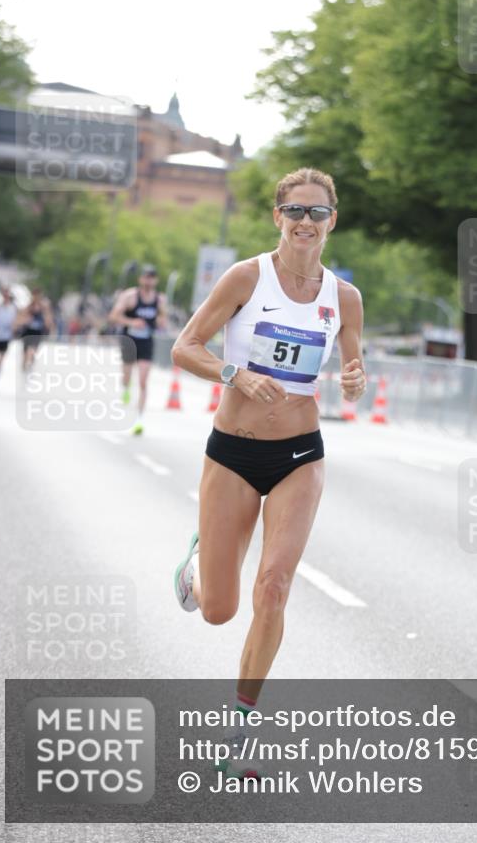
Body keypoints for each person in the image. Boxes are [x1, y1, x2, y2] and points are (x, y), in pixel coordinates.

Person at [170, 168, 367, 779]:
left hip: (300, 455)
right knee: (220, 610)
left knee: (275, 587)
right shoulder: (246, 278)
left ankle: (240, 732)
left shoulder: (345, 297)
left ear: (332, 219)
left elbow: (354, 365)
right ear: (276, 217)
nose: (305, 222)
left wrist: (356, 378)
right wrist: (235, 375)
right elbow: (186, 346)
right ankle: (197, 568)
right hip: (232, 451)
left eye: (317, 212)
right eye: (294, 211)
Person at [108, 265, 168, 435]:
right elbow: (113, 316)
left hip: (146, 342)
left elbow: (163, 317)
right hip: (129, 341)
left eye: (152, 277)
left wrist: (161, 321)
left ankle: (139, 419)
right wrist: (131, 323)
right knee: (126, 377)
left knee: (143, 381)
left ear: (156, 280)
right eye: (146, 277)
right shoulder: (129, 296)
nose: (149, 280)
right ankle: (126, 388)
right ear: (140, 279)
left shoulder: (160, 299)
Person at [18, 287, 55, 373]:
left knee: (33, 348)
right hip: (28, 330)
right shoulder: (29, 305)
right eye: (35, 295)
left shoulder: (44, 306)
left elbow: (48, 317)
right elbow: (22, 315)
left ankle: (30, 361)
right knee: (25, 349)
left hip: (37, 331)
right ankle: (24, 364)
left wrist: (50, 326)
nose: (36, 297)